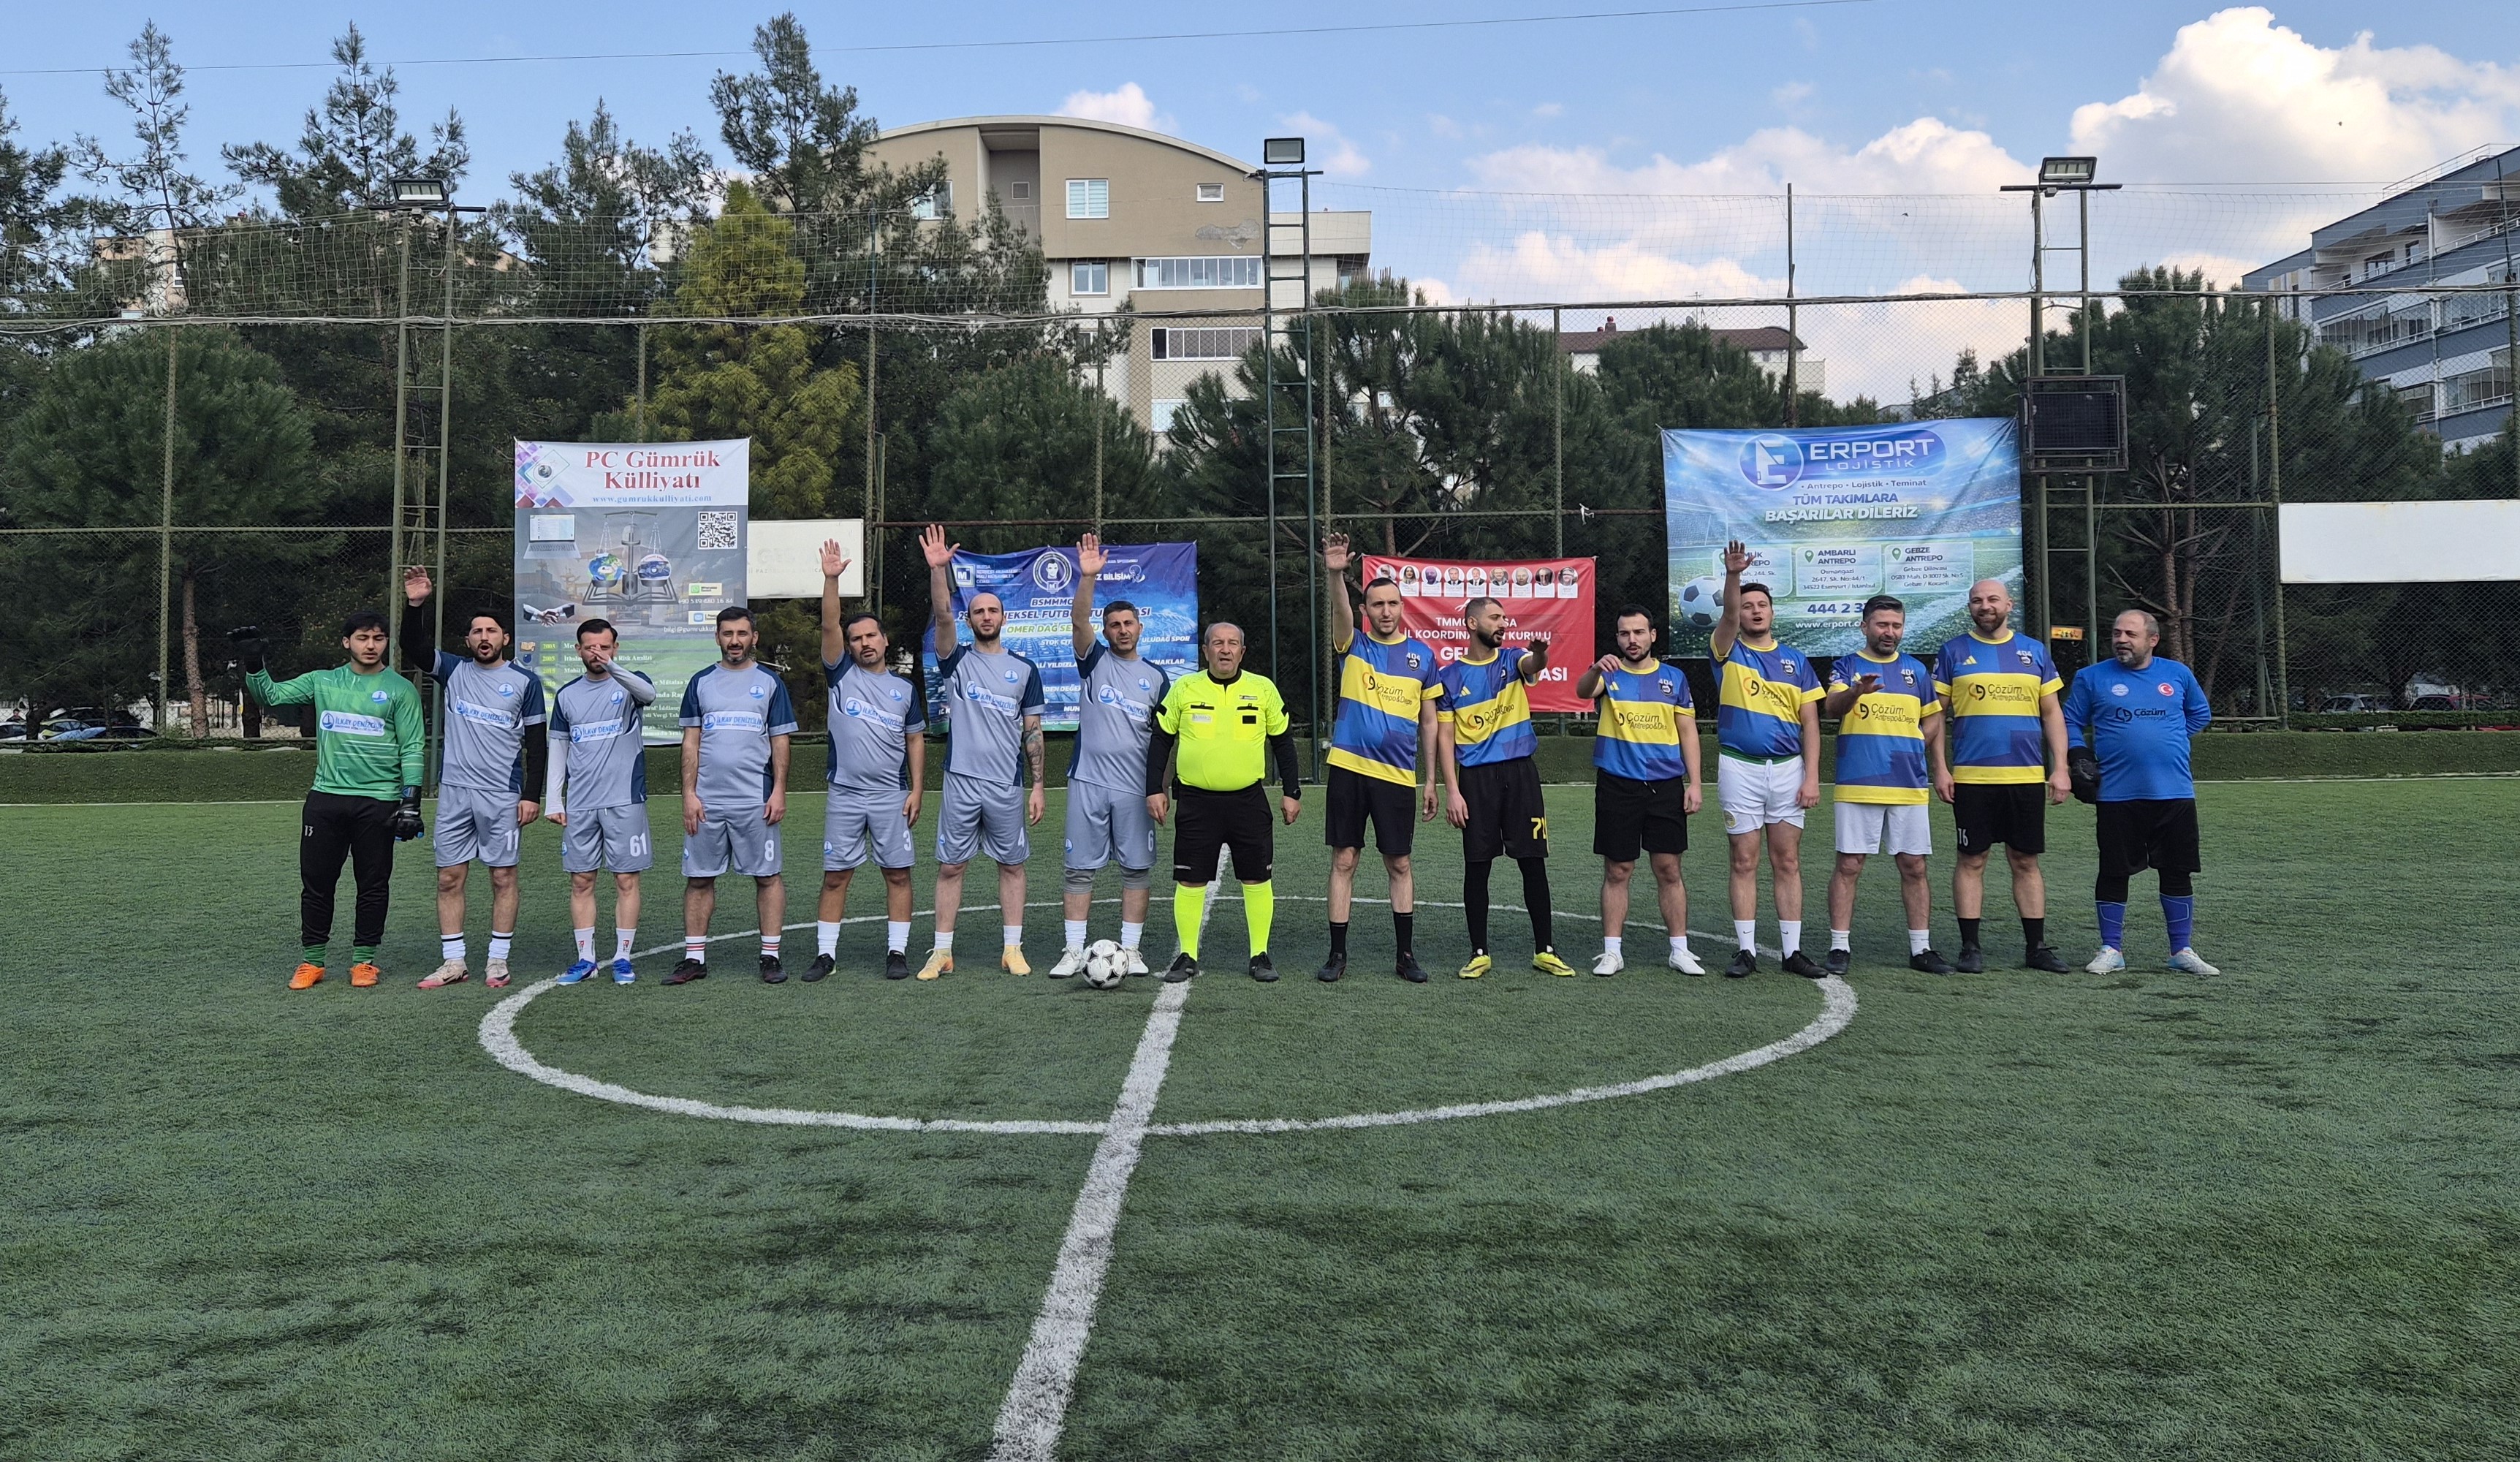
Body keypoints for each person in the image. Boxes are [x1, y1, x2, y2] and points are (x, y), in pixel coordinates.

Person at [235, 610, 428, 989]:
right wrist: (254, 663)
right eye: (362, 638)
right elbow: (269, 695)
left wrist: (411, 802)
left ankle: (364, 962)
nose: (370, 646)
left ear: (386, 642)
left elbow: (412, 747)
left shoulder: (400, 689)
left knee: (373, 884)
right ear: (346, 642)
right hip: (326, 800)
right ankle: (313, 961)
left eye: (378, 638)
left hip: (379, 801)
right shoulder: (322, 681)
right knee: (317, 883)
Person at [399, 567, 546, 990]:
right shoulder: (454, 670)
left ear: (505, 639)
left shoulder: (525, 682)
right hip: (455, 794)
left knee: (503, 877)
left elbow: (537, 745)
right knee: (449, 878)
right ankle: (454, 962)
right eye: (477, 631)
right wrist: (415, 605)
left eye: (492, 631)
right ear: (467, 640)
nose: (484, 637)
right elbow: (413, 647)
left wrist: (531, 795)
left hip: (502, 795)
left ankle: (497, 961)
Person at [917, 524, 1048, 980]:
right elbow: (943, 616)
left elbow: (1033, 731)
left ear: (1003, 618)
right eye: (979, 611)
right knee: (951, 866)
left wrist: (1037, 786)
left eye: (993, 611)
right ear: (970, 620)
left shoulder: (1025, 670)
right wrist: (939, 570)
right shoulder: (956, 660)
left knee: (1012, 865)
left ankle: (1013, 949)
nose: (986, 617)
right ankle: (942, 952)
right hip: (961, 781)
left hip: (1006, 785)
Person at [2060, 610, 2219, 976]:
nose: (2121, 640)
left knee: (2177, 871)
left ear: (2152, 640)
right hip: (2117, 794)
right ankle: (2111, 949)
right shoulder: (2091, 677)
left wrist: (2169, 737)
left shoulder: (2178, 674)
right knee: (2114, 871)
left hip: (2174, 792)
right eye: (2117, 633)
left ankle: (2182, 950)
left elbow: (2200, 714)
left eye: (2130, 634)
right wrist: (2079, 753)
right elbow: (2070, 720)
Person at [1144, 621, 1303, 981]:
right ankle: (1187, 955)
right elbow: (1161, 740)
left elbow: (1283, 742)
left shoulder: (1263, 689)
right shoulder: (1185, 688)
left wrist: (1292, 791)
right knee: (1191, 880)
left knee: (1257, 878)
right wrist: (1155, 788)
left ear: (1242, 652)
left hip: (1249, 801)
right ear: (1206, 651)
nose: (1225, 649)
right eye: (1218, 643)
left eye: (1233, 644)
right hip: (1196, 802)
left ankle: (1260, 955)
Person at [1931, 577, 2073, 974]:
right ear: (1970, 608)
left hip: (2025, 776)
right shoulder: (1953, 651)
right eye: (1977, 600)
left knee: (2025, 860)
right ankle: (1970, 947)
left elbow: (2052, 713)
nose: (1985, 606)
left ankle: (2037, 948)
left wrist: (2061, 768)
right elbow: (1936, 715)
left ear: (2009, 605)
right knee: (1971, 859)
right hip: (1972, 778)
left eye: (1993, 599)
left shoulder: (2034, 651)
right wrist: (1940, 768)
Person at [1318, 531, 1441, 984]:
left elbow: (1429, 722)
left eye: (1392, 604)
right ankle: (1337, 955)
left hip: (1397, 776)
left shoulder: (1422, 657)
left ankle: (1405, 955)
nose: (1385, 611)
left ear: (1402, 607)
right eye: (1377, 605)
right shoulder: (1354, 645)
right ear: (1366, 610)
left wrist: (1431, 780)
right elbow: (1340, 612)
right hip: (1349, 770)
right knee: (1344, 860)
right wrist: (1336, 575)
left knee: (1400, 864)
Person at [1052, 531, 1169, 979]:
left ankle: (1132, 952)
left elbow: (1164, 741)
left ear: (1140, 628)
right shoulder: (1094, 661)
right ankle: (1072, 951)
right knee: (1079, 869)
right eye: (1114, 624)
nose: (1122, 630)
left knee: (1136, 870)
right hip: (1088, 781)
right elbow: (1078, 620)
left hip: (1135, 788)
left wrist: (1160, 788)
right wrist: (1087, 578)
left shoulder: (1157, 678)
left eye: (1128, 623)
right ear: (1105, 632)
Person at [1707, 540, 1826, 979]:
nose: (1755, 611)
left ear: (1773, 612)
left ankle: (1793, 952)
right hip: (1740, 767)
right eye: (1747, 606)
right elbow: (1726, 618)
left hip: (1789, 770)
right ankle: (1746, 951)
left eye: (1762, 605)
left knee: (1787, 860)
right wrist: (1733, 575)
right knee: (1744, 860)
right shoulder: (1727, 650)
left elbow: (1810, 723)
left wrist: (1811, 777)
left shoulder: (1796, 661)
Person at [1437, 596, 1573, 977]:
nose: (1503, 623)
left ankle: (1545, 950)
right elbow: (1445, 738)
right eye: (1495, 617)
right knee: (1477, 865)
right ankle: (1479, 952)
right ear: (1471, 623)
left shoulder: (1512, 659)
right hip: (1476, 780)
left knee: (1533, 861)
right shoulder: (1450, 677)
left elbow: (1534, 664)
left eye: (1505, 617)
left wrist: (1541, 654)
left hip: (1520, 774)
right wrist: (1452, 790)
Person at [1820, 595, 1954, 976]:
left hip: (1908, 782)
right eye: (1882, 625)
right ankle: (1839, 946)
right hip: (1858, 780)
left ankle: (1921, 948)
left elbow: (1934, 718)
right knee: (1850, 863)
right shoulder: (1847, 666)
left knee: (1914, 865)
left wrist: (1917, 745)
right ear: (1865, 627)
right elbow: (1831, 708)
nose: (1889, 632)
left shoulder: (1916, 671)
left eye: (1896, 626)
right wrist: (1856, 692)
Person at [811, 539, 925, 982]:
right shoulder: (840, 674)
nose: (864, 643)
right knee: (836, 877)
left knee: (897, 875)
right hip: (845, 794)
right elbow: (829, 624)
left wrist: (917, 790)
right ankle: (826, 955)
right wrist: (832, 580)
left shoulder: (905, 690)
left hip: (891, 796)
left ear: (884, 640)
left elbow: (915, 741)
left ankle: (897, 953)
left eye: (870, 636)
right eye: (856, 638)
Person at [666, 606, 796, 986]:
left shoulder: (770, 683)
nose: (735, 641)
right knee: (699, 879)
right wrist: (689, 794)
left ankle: (770, 957)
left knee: (767, 877)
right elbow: (691, 742)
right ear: (717, 637)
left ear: (754, 638)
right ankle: (694, 958)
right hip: (707, 802)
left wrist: (779, 791)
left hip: (756, 799)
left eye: (742, 634)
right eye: (728, 634)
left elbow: (780, 741)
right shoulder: (701, 682)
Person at [1576, 605, 1704, 977]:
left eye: (1638, 632)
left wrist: (1695, 783)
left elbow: (1687, 732)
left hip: (1666, 785)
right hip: (1617, 785)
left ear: (1652, 635)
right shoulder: (1608, 673)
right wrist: (1595, 668)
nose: (1631, 640)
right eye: (1624, 633)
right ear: (1617, 638)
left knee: (1669, 868)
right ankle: (1612, 952)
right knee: (1618, 869)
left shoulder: (1674, 678)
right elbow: (1582, 691)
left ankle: (1680, 950)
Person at [544, 618, 656, 986]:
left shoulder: (630, 684)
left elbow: (649, 695)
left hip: (625, 800)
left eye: (604, 647)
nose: (597, 653)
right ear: (578, 650)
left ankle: (623, 958)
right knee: (581, 881)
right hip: (580, 804)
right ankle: (586, 959)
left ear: (615, 648)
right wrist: (554, 800)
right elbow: (559, 748)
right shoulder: (567, 695)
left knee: (626, 879)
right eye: (590, 648)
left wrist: (612, 667)